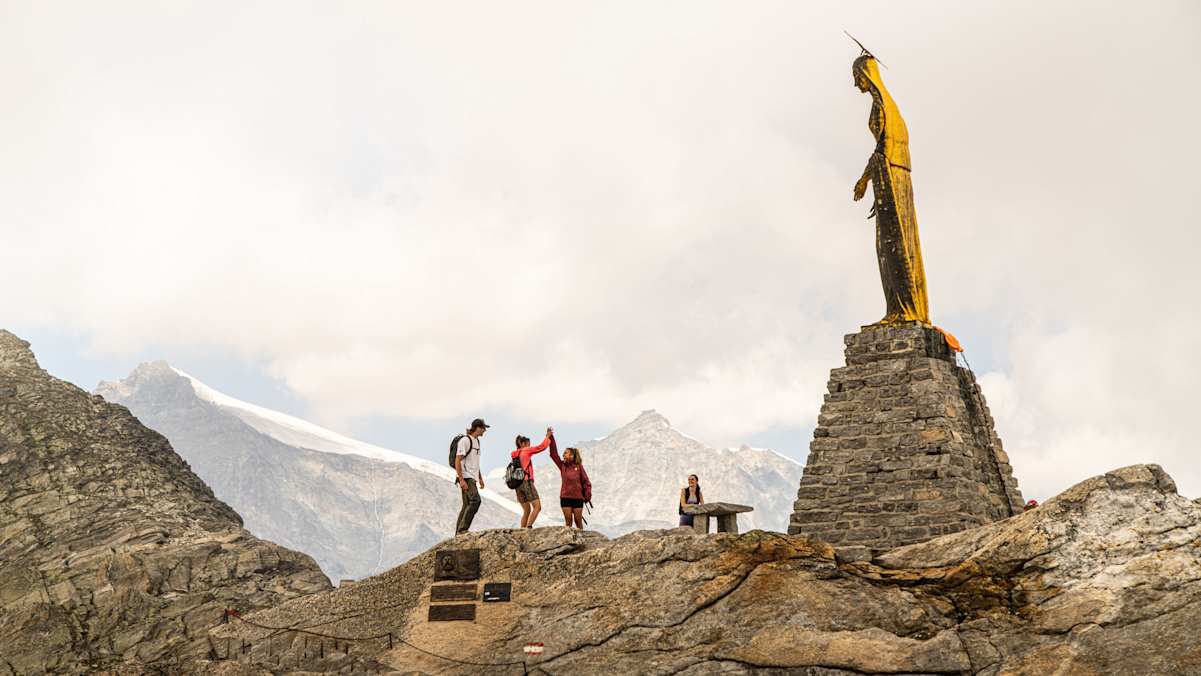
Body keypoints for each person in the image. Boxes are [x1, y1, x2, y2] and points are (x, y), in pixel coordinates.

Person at [548, 432, 591, 529]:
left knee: (578, 521)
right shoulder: (562, 466)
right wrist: (551, 437)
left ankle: (582, 543)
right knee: (568, 523)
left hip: (578, 499)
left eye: (566, 452)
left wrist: (587, 494)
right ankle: (569, 543)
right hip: (565, 498)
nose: (563, 454)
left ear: (572, 455)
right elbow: (553, 454)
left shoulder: (579, 467)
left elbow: (586, 482)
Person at [511, 428, 552, 528]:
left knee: (526, 510)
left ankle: (522, 531)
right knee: (537, 507)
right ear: (523, 443)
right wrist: (547, 437)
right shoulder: (526, 450)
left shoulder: (515, 454)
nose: (530, 446)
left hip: (517, 484)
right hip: (526, 482)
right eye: (528, 444)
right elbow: (541, 447)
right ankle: (529, 527)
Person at [454, 418, 489, 534]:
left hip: (472, 477)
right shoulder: (465, 440)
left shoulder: (477, 442)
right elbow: (457, 460)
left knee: (466, 505)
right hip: (466, 477)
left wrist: (480, 478)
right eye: (484, 428)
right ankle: (463, 529)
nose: (485, 431)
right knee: (475, 500)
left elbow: (475, 462)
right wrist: (461, 479)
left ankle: (458, 533)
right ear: (478, 428)